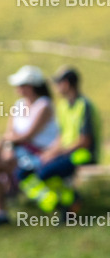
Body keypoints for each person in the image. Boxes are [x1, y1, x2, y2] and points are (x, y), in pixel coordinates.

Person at [0, 66, 58, 231]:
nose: (18, 88)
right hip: (18, 151)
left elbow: (27, 135)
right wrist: (8, 144)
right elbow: (10, 133)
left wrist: (8, 141)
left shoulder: (44, 105)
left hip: (38, 154)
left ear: (30, 86)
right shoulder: (19, 105)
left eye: (21, 84)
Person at [20, 67, 101, 215]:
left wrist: (58, 153)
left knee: (47, 172)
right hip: (67, 152)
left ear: (66, 84)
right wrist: (48, 153)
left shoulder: (84, 105)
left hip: (83, 154)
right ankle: (67, 203)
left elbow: (85, 140)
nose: (56, 87)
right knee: (30, 169)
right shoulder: (63, 106)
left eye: (58, 83)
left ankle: (71, 202)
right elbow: (61, 136)